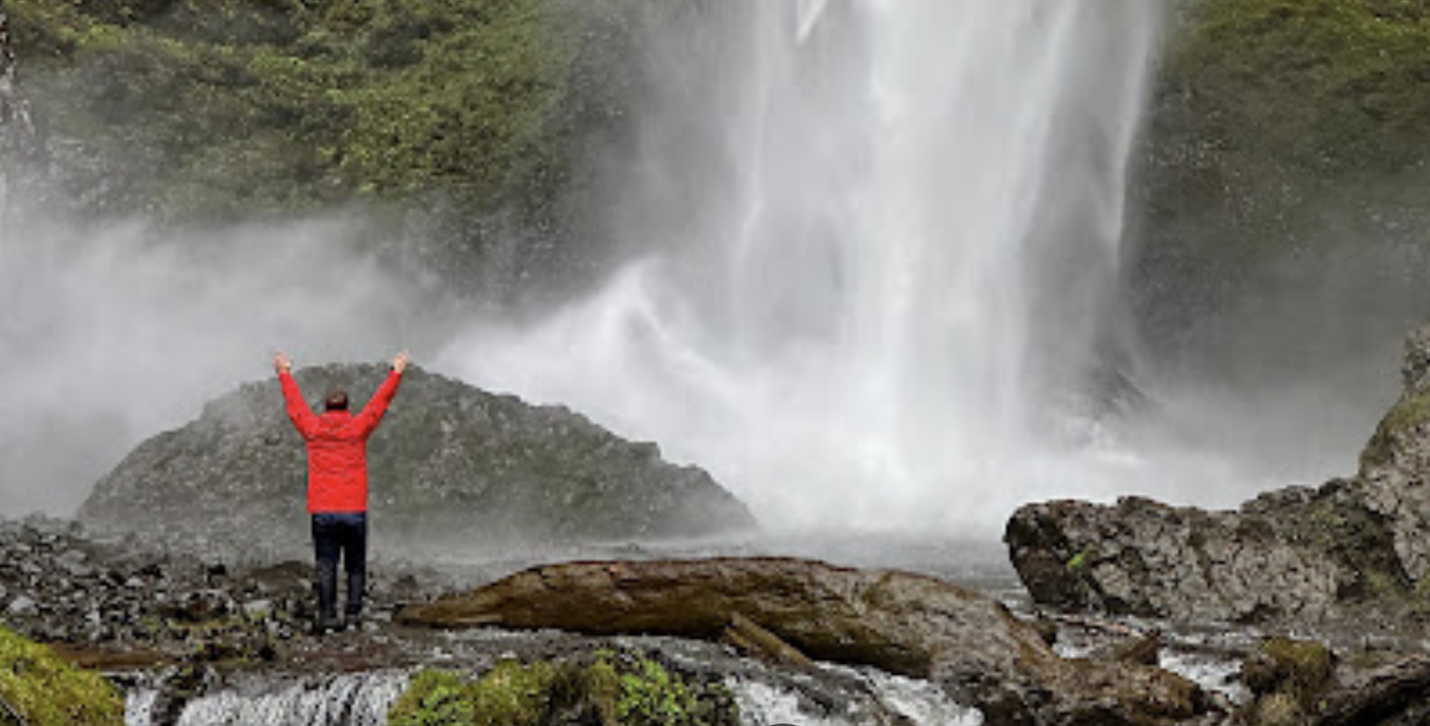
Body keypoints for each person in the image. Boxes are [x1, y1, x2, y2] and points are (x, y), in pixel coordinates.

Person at [273, 350, 408, 633]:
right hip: (354, 509)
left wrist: (284, 373)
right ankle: (354, 614)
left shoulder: (312, 429)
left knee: (326, 563)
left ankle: (327, 615)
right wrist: (396, 372)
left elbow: (295, 406)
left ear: (324, 407)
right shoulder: (357, 427)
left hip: (322, 509)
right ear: (347, 407)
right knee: (355, 565)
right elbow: (379, 403)